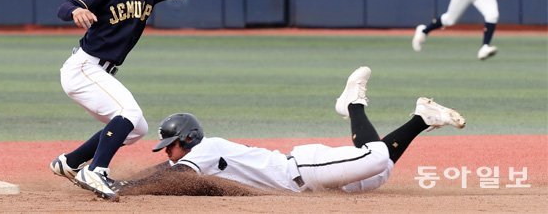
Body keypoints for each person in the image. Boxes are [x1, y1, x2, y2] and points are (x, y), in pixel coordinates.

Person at [49, 0, 243, 200]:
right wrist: (76, 12)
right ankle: (96, 171)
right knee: (128, 112)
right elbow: (65, 6)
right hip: (84, 68)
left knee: (135, 128)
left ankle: (71, 162)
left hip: (99, 71)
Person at [113, 66, 466, 196]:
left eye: (171, 145)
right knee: (380, 173)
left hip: (302, 168)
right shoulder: (202, 159)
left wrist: (126, 187)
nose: (168, 151)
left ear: (188, 139)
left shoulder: (204, 149)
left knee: (376, 158)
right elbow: (176, 178)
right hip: (307, 179)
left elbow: (169, 175)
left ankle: (353, 104)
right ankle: (422, 117)